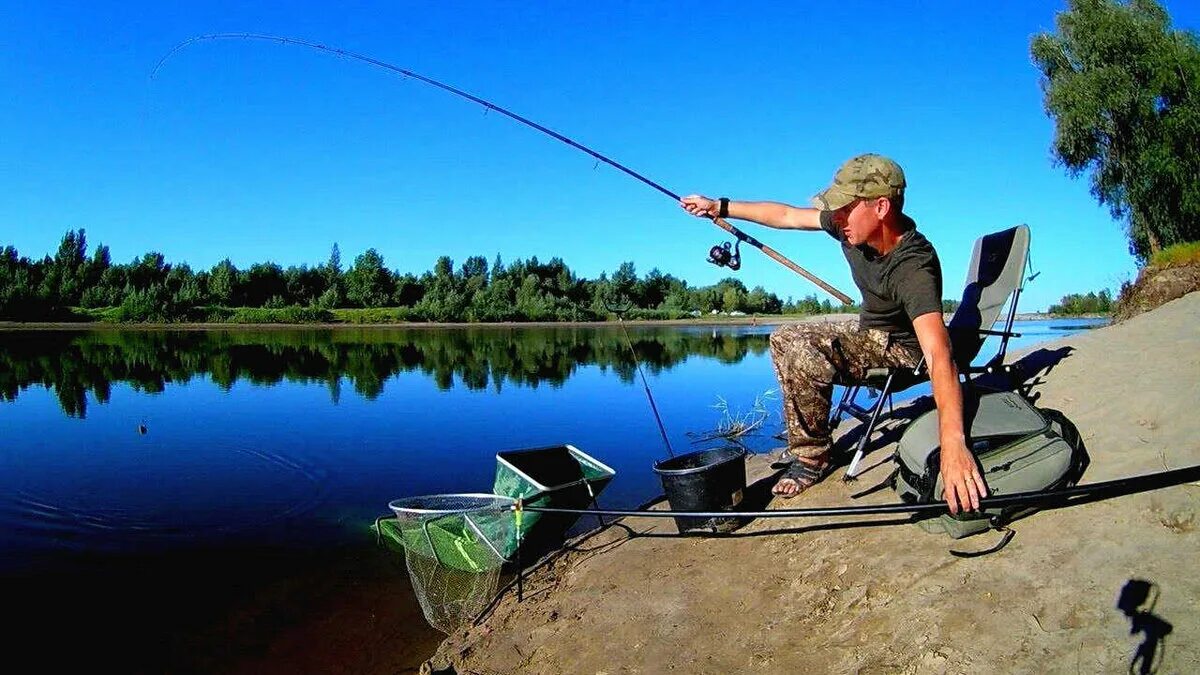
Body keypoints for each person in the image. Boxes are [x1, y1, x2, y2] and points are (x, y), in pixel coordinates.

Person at [680, 154, 987, 514]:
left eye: (843, 208)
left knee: (800, 345)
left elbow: (938, 353)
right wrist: (720, 206)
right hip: (870, 332)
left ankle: (813, 459)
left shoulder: (914, 265)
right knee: (784, 336)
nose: (835, 218)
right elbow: (787, 216)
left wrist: (953, 444)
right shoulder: (851, 226)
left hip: (904, 352)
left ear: (881, 207)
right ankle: (813, 443)